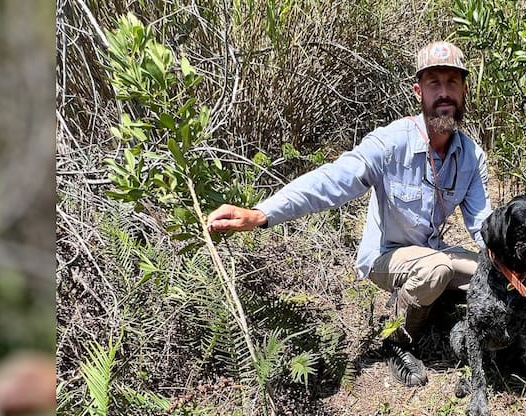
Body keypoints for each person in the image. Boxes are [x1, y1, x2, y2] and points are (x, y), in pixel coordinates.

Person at [206, 41, 492, 387]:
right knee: (437, 269)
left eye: (452, 83)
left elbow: (483, 225)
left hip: (432, 251)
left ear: (464, 90)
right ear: (419, 92)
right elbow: (332, 180)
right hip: (387, 256)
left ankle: (434, 304)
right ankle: (397, 340)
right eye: (434, 83)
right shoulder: (390, 143)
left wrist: (517, 264)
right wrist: (261, 214)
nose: (444, 93)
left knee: (493, 276)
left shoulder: (471, 155)